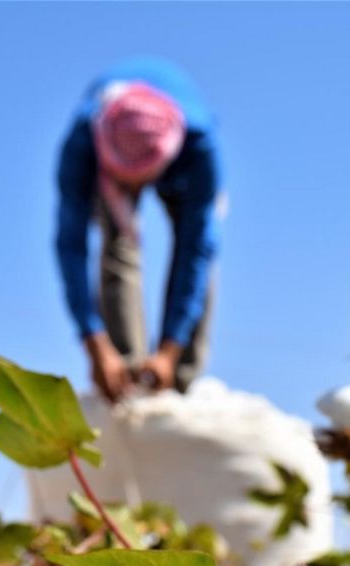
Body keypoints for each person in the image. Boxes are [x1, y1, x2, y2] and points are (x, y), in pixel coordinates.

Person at [55, 57, 223, 401]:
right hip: (104, 156)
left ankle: (175, 381)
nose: (133, 195)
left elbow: (196, 254)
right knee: (117, 243)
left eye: (139, 185)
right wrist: (94, 342)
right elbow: (70, 246)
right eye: (125, 185)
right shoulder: (83, 144)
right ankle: (124, 375)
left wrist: (169, 350)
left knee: (197, 253)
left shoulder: (201, 151)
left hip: (180, 160)